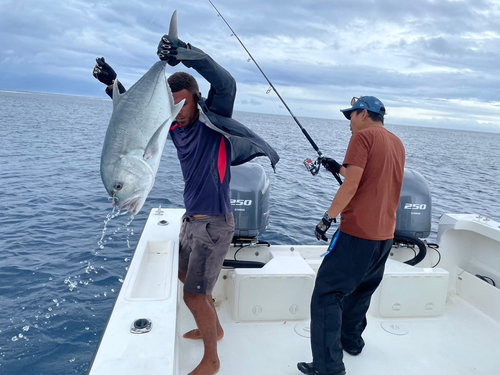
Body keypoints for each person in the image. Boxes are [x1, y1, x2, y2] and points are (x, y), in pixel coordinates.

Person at [93, 35, 279, 375]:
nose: (177, 114)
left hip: (215, 224)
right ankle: (216, 328)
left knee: (193, 296)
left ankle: (212, 360)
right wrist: (113, 85)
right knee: (183, 276)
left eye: (182, 105)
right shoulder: (175, 129)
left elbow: (227, 83)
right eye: (172, 108)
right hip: (191, 220)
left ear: (197, 98)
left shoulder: (215, 123)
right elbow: (133, 128)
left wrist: (188, 56)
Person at [298, 96, 405, 375]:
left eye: (351, 116)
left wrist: (327, 218)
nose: (349, 122)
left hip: (358, 232)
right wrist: (337, 167)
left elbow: (352, 186)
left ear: (364, 113)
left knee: (327, 294)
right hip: (384, 236)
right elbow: (367, 176)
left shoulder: (362, 138)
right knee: (361, 290)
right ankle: (352, 341)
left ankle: (328, 366)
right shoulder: (396, 143)